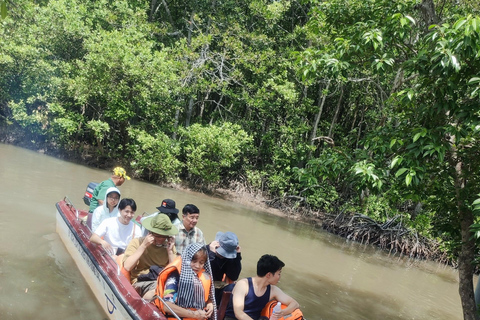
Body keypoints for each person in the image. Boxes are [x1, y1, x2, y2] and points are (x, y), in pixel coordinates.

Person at [225, 254, 300, 320]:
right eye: (279, 274)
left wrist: (282, 312)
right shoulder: (243, 285)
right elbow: (238, 313)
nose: (279, 277)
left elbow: (295, 304)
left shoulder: (272, 290)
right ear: (269, 275)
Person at [123, 213, 178, 300]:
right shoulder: (137, 242)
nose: (160, 239)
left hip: (161, 279)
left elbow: (175, 272)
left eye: (163, 236)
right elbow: (127, 266)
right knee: (158, 289)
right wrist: (143, 246)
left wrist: (170, 252)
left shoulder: (169, 247)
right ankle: (143, 306)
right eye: (157, 235)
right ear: (150, 233)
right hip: (142, 281)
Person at [155, 243, 215, 320]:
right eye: (194, 261)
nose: (197, 266)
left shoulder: (204, 276)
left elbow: (206, 297)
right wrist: (195, 315)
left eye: (201, 262)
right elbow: (167, 306)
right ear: (187, 259)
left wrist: (210, 303)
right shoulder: (175, 276)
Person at [207, 231, 242, 306]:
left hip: (217, 287)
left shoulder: (228, 258)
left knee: (234, 288)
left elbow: (234, 276)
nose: (223, 255)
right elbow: (207, 272)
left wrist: (237, 257)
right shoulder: (206, 251)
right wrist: (212, 254)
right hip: (203, 285)